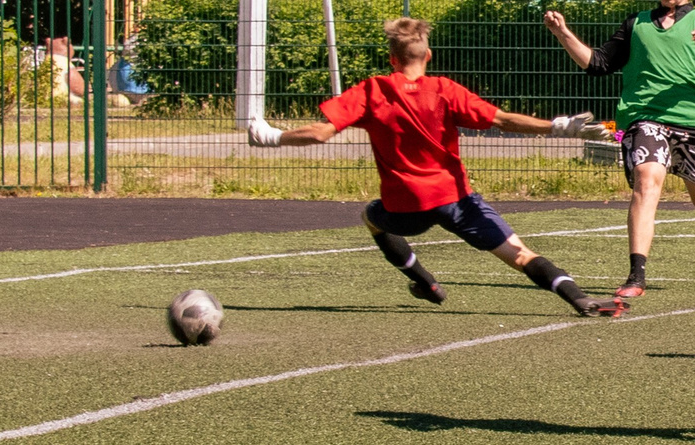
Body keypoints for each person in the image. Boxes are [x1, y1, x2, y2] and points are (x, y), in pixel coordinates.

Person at [245, 17, 616, 317]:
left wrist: (272, 136)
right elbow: (501, 120)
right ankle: (579, 298)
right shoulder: (444, 89)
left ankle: (425, 283)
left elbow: (321, 133)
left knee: (371, 217)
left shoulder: (374, 90)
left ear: (391, 57)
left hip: (404, 208)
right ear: (429, 55)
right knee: (519, 254)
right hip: (455, 199)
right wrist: (558, 126)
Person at [542, 0, 695, 301]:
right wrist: (562, 33)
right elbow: (596, 63)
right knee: (647, 180)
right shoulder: (637, 24)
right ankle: (636, 274)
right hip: (645, 120)